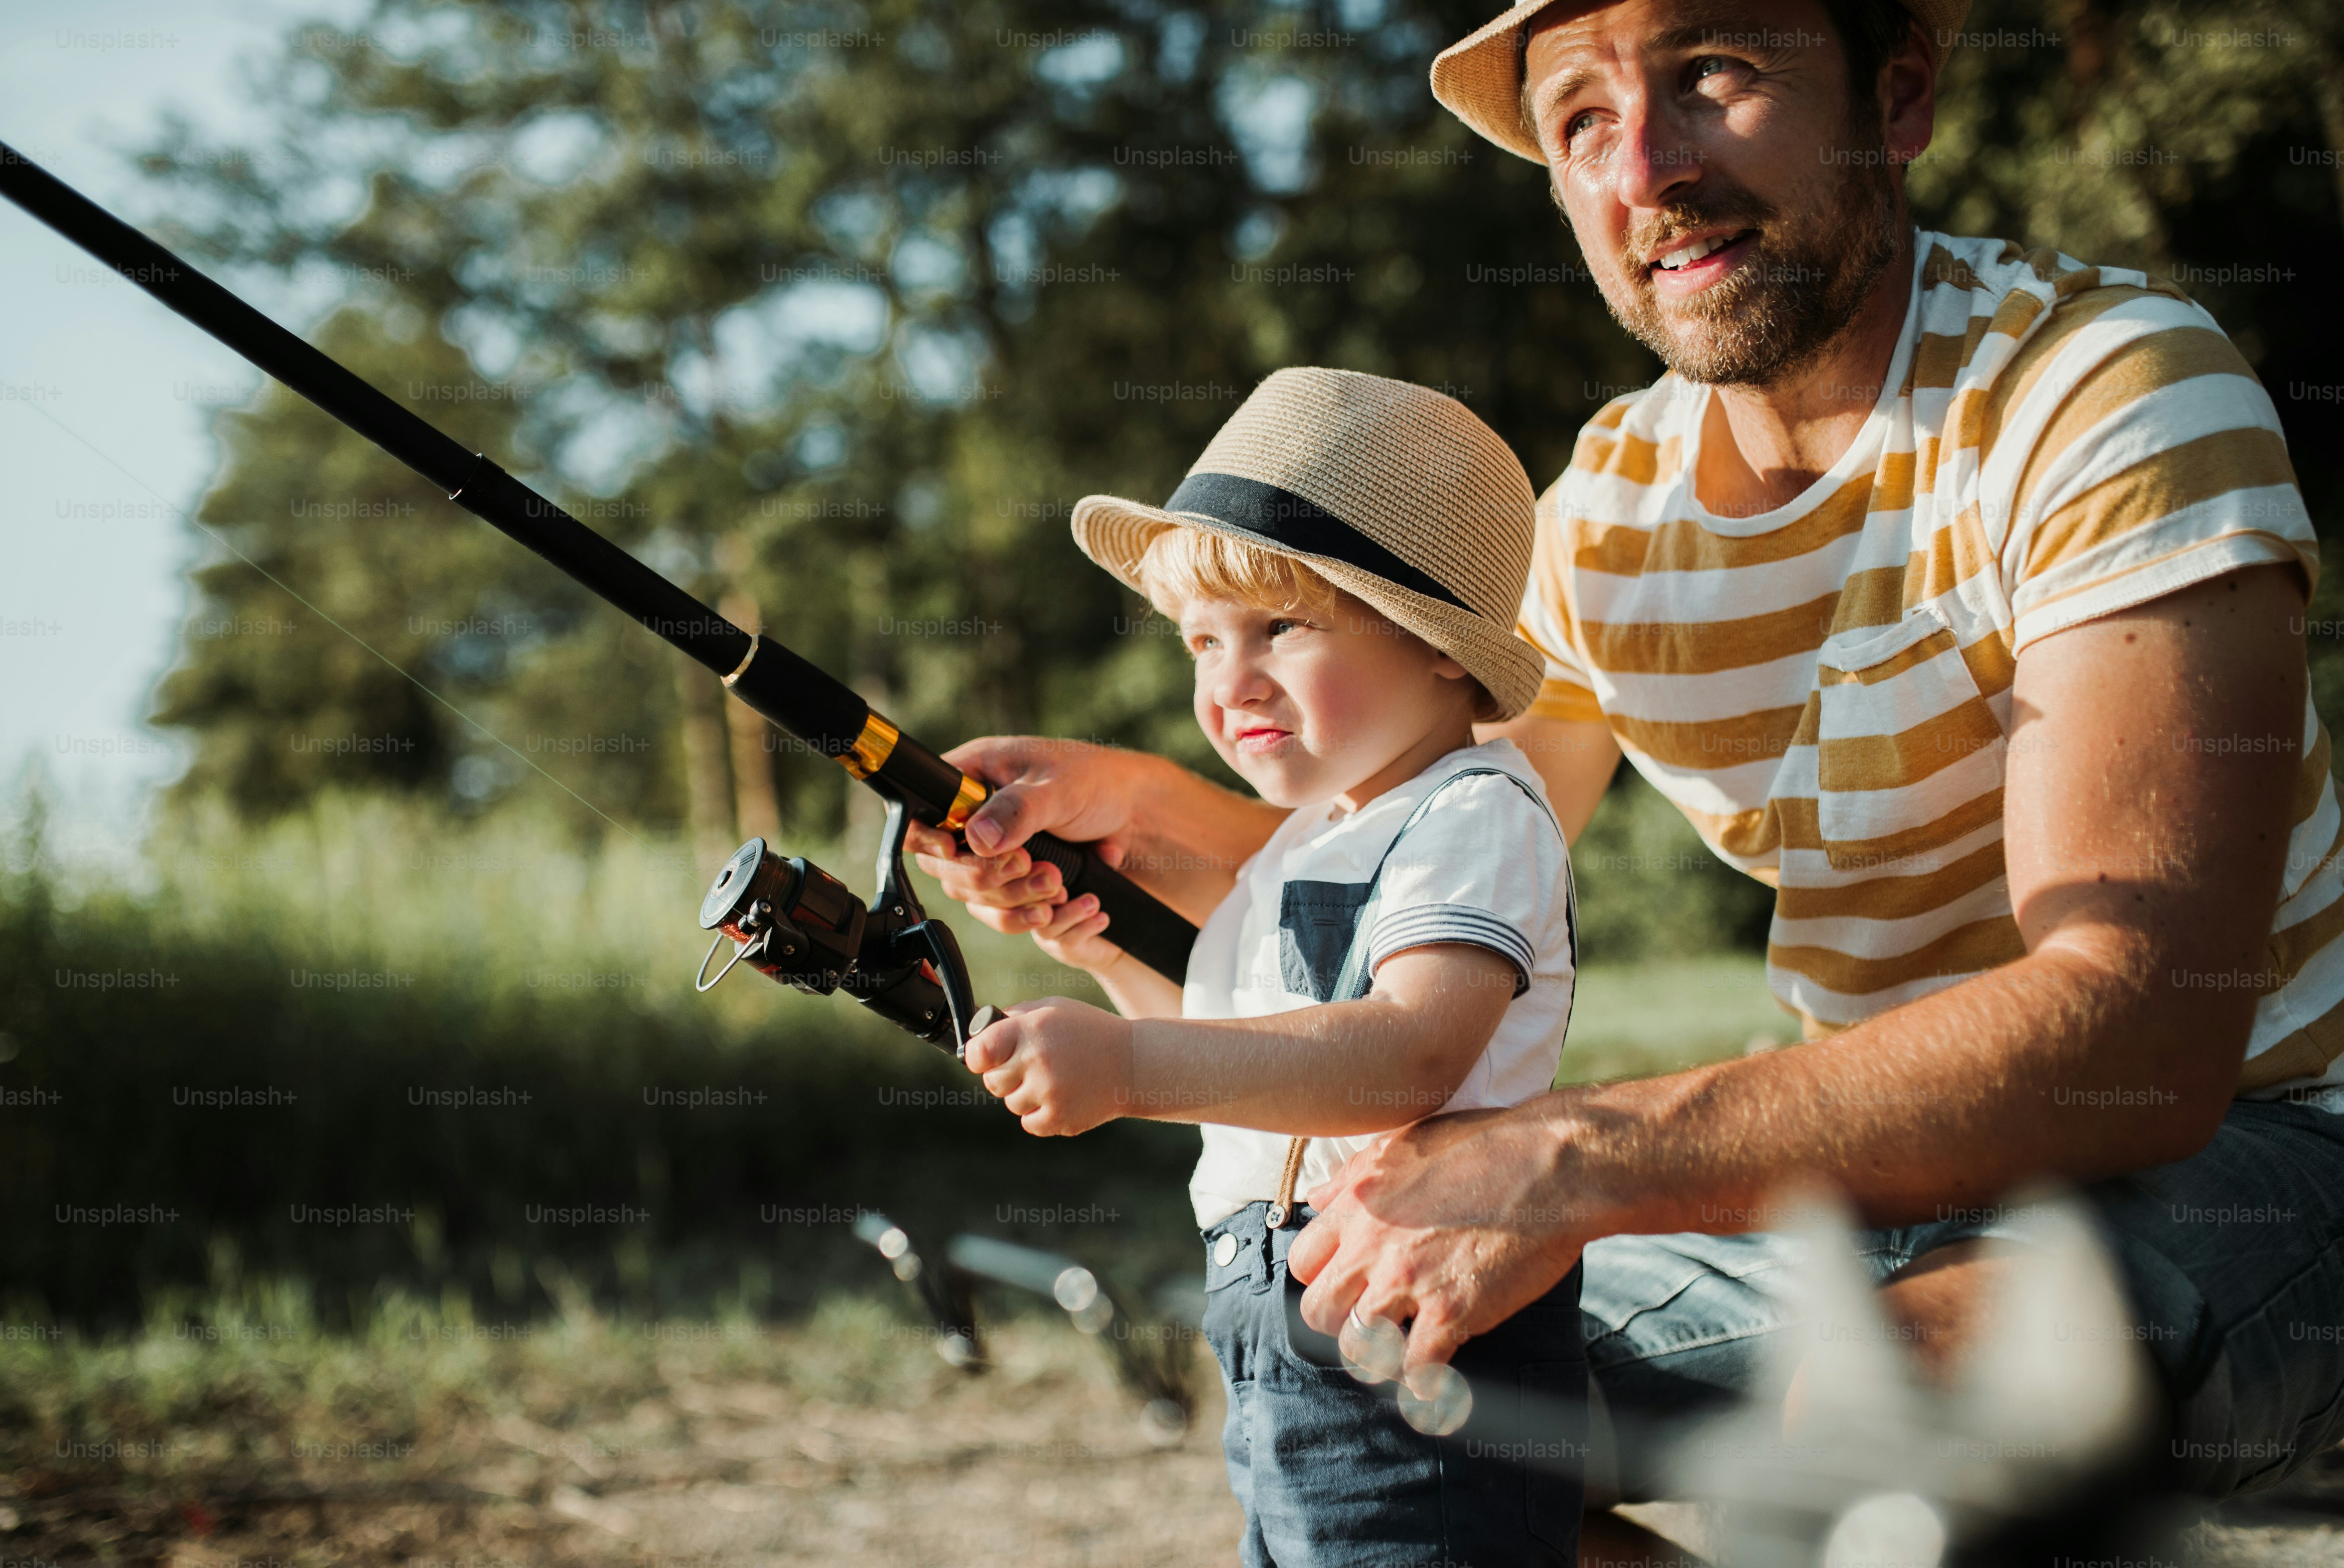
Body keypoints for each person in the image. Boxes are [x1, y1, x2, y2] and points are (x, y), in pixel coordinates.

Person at [910, 0, 2339, 1546]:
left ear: (1901, 94)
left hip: (2261, 1149)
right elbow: (1435, 846)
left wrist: (1571, 1155)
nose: (1645, 168)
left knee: (1882, 1414)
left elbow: (2135, 1031)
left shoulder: (2103, 392)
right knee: (1369, 1365)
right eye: (1581, 116)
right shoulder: (1605, 518)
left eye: (1711, 73)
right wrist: (1137, 819)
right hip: (1863, 1187)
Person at [958, 367, 1587, 1565]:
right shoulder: (1316, 834)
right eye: (1202, 639)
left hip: (1413, 1332)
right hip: (1273, 1324)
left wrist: (1131, 1062)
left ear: (1442, 647)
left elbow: (1407, 1051)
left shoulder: (1473, 810)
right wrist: (1091, 951)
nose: (1227, 679)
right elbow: (1234, 1051)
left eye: (1280, 628)